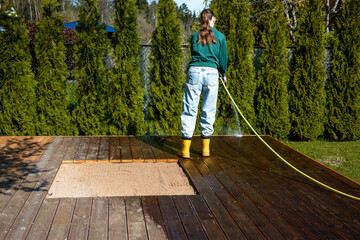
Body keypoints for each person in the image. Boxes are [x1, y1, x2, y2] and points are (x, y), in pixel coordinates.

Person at [180, 9, 228, 158]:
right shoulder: (220, 36)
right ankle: (205, 149)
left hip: (194, 72)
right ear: (212, 19)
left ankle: (185, 150)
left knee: (189, 109)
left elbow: (194, 55)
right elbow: (223, 60)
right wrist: (223, 73)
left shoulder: (194, 36)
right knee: (209, 109)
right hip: (212, 74)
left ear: (201, 20)